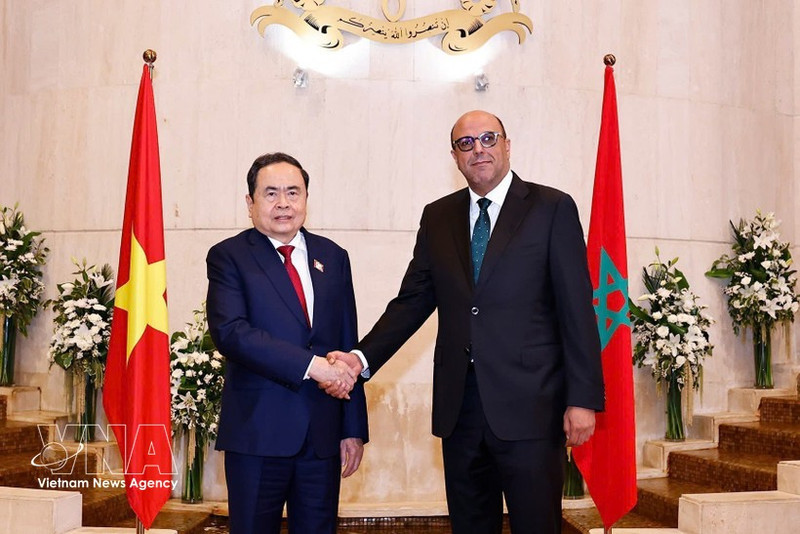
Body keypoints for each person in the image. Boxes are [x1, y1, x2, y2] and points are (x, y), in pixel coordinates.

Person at [325, 111, 604, 533]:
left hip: (531, 407)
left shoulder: (552, 208)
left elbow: (577, 309)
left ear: (507, 145)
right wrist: (360, 358)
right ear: (454, 156)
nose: (479, 150)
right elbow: (413, 301)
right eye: (466, 143)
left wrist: (582, 398)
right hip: (461, 411)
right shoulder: (438, 216)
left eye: (488, 138)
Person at [206, 152, 368, 534]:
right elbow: (232, 332)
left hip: (322, 438)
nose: (283, 203)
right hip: (258, 434)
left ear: (306, 199)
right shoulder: (229, 257)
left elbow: (348, 340)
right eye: (271, 193)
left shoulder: (333, 257)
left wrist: (353, 428)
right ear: (250, 203)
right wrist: (313, 367)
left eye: (293, 192)